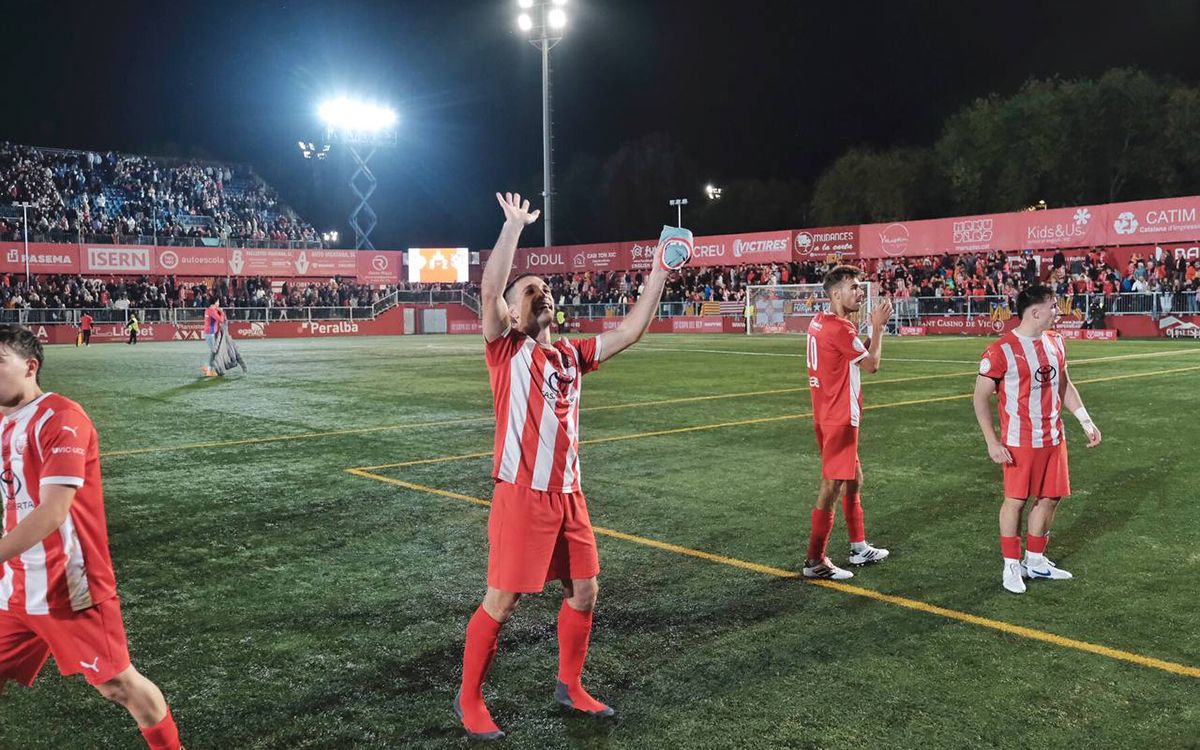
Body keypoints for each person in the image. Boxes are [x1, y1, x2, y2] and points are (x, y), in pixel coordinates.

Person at [453, 193, 671, 742]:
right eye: (530, 292)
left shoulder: (571, 355)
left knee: (586, 591)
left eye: (544, 288)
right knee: (502, 600)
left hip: (569, 494)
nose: (542, 293)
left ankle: (569, 685)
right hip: (521, 494)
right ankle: (469, 698)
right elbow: (488, 291)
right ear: (511, 312)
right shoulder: (505, 349)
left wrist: (659, 270)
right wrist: (512, 229)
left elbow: (632, 331)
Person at [0, 325, 183, 749]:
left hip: (70, 587)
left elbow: (52, 511)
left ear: (30, 367)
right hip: (13, 586)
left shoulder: (62, 417)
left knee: (119, 685)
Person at [973, 285, 1102, 594]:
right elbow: (980, 398)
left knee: (1050, 497)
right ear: (1035, 312)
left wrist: (1085, 420)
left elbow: (1065, 385)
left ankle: (1036, 560)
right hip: (1020, 441)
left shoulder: (1057, 342)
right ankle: (1011, 565)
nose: (1058, 312)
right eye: (1053, 307)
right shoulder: (1000, 350)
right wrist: (992, 442)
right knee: (1015, 502)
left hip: (1054, 438)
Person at [802, 266, 893, 580]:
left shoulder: (820, 322)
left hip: (825, 412)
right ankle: (815, 560)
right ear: (836, 293)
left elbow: (852, 353)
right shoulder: (841, 328)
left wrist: (867, 332)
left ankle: (858, 547)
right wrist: (878, 328)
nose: (859, 292)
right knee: (832, 486)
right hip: (840, 416)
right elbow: (872, 365)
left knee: (854, 478)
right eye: (853, 287)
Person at [201, 300, 225, 377]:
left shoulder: (208, 309)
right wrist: (222, 312)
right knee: (214, 352)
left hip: (209, 333)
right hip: (210, 334)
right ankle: (209, 369)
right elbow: (221, 319)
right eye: (218, 302)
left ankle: (209, 368)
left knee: (214, 352)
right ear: (214, 303)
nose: (219, 303)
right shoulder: (212, 310)